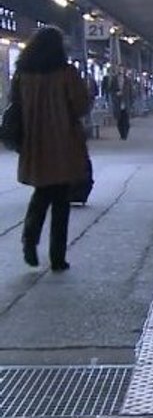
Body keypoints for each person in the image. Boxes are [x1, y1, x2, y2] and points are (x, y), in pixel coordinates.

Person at [15, 26, 91, 271]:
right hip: (62, 142)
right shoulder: (67, 73)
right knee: (60, 200)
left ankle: (29, 239)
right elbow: (80, 106)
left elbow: (14, 108)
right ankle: (57, 257)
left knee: (42, 192)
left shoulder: (22, 75)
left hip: (35, 142)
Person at [112, 67, 134, 140]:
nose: (120, 71)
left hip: (126, 102)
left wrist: (131, 102)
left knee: (126, 120)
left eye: (121, 69)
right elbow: (111, 90)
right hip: (118, 103)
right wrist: (116, 94)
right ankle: (122, 134)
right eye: (119, 69)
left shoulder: (128, 80)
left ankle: (125, 134)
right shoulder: (114, 80)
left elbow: (131, 92)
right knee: (119, 120)